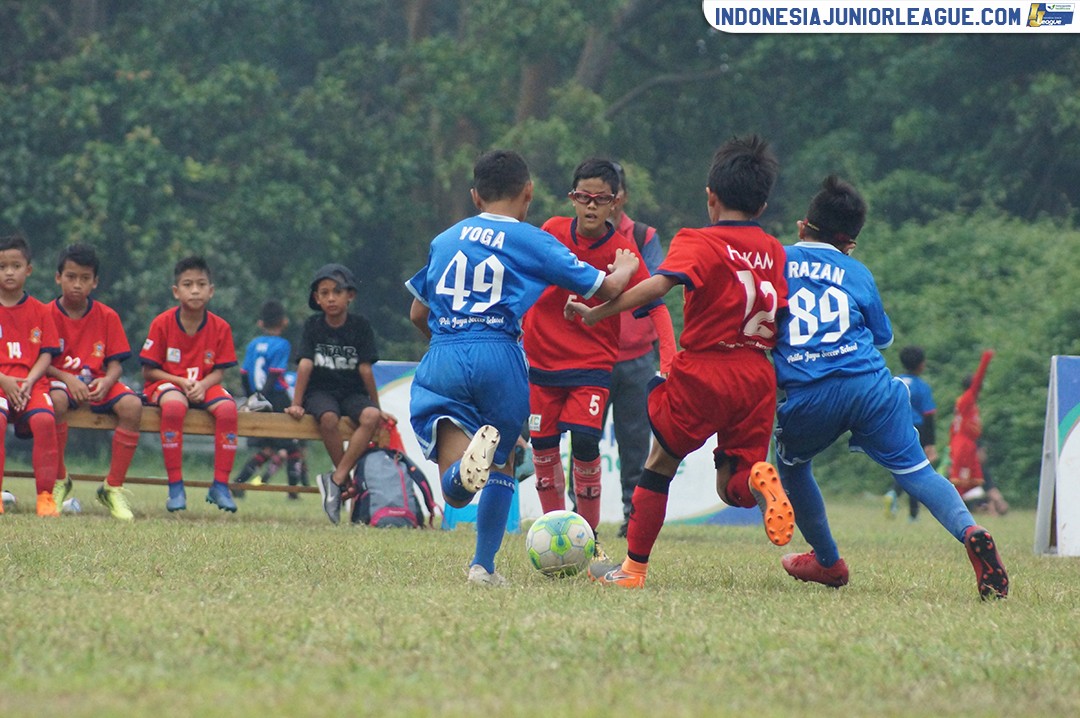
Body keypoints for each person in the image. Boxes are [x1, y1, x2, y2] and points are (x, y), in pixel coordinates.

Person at [566, 134, 794, 589]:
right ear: (763, 204)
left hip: (708, 369)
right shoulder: (773, 250)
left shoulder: (700, 240)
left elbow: (657, 287)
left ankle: (632, 570)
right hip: (757, 374)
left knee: (659, 464)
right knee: (733, 484)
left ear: (711, 198)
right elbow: (783, 318)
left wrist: (599, 311)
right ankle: (760, 479)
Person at [405, 149, 639, 586]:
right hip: (500, 352)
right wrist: (624, 268)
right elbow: (604, 289)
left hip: (445, 350)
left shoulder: (445, 239)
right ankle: (483, 566)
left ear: (475, 196)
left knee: (456, 483)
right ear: (528, 193)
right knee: (504, 463)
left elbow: (418, 313)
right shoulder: (532, 239)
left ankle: (460, 481)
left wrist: (448, 346)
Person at [769, 175, 1008, 599]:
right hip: (871, 385)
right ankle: (970, 529)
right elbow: (882, 339)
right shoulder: (857, 272)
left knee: (791, 465)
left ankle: (827, 561)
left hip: (810, 391)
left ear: (803, 226)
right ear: (850, 243)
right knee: (918, 472)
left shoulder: (778, 261)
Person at [522, 158, 675, 546]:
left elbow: (656, 304)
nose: (591, 206)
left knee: (587, 442)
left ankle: (586, 536)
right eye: (584, 197)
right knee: (543, 447)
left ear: (615, 203)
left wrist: (670, 359)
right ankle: (554, 530)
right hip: (542, 364)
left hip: (591, 365)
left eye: (600, 199)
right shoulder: (552, 232)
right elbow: (524, 276)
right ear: (572, 198)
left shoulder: (625, 251)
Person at [285, 263, 393, 524]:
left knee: (368, 417)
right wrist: (296, 403)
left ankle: (336, 478)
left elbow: (366, 370)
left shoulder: (361, 326)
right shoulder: (313, 325)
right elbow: (305, 364)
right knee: (329, 418)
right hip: (320, 391)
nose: (331, 298)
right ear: (317, 298)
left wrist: (377, 407)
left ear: (350, 295)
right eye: (324, 293)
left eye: (337, 291)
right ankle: (344, 480)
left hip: (352, 391)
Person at [47, 244, 142, 520]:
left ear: (95, 282)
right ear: (58, 277)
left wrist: (107, 380)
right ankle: (60, 479)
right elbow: (41, 361)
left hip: (98, 382)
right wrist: (67, 378)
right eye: (71, 277)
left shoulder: (107, 316)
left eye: (85, 278)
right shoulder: (46, 314)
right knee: (55, 402)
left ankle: (112, 487)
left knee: (133, 406)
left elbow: (115, 364)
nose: (77, 284)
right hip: (60, 382)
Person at [140, 256, 239, 513]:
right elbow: (149, 370)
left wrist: (203, 385)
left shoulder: (221, 327)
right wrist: (180, 382)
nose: (195, 290)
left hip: (204, 385)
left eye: (201, 284)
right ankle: (175, 486)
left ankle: (220, 485)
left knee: (229, 410)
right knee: (174, 407)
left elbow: (220, 371)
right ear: (176, 291)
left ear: (211, 290)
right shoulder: (162, 323)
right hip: (167, 384)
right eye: (187, 284)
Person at [604, 162, 671, 538]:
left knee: (635, 444)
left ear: (621, 197)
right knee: (583, 442)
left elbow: (658, 281)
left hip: (636, 357)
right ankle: (580, 516)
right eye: (590, 196)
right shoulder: (579, 234)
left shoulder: (644, 236)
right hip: (593, 354)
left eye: (607, 196)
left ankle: (633, 517)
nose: (600, 203)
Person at [0, 235, 62, 516]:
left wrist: (28, 382)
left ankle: (45, 497)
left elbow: (46, 354)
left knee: (44, 420)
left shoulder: (40, 310)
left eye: (15, 265)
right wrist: (4, 381)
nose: (9, 272)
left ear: (28, 270)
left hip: (31, 385)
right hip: (0, 384)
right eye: (2, 266)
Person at [233, 300, 308, 499]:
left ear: (260, 323)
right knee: (292, 446)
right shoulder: (283, 345)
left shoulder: (253, 344)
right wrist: (262, 396)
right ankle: (293, 492)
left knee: (267, 448)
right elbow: (275, 373)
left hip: (257, 397)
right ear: (284, 322)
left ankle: (238, 483)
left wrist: (252, 397)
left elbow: (243, 373)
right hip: (275, 397)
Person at [948, 350, 1009, 515]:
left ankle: (989, 505)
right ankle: (977, 506)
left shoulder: (969, 405)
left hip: (967, 445)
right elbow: (978, 381)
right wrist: (986, 360)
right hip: (964, 446)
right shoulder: (967, 400)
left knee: (975, 478)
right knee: (963, 481)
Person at [883, 345, 937, 522]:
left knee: (900, 465)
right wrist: (930, 443)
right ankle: (913, 515)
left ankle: (893, 492)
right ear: (921, 364)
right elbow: (929, 417)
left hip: (895, 427)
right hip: (917, 429)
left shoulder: (893, 381)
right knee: (916, 469)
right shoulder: (922, 387)